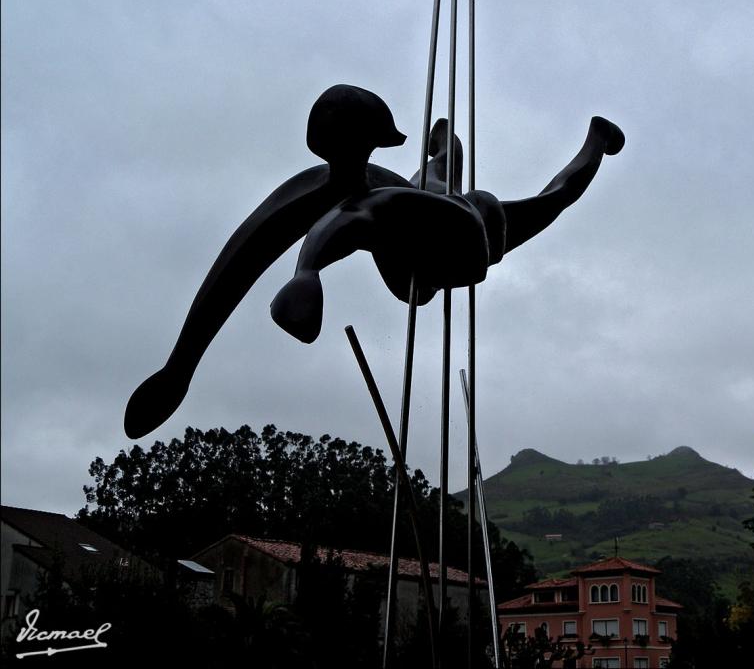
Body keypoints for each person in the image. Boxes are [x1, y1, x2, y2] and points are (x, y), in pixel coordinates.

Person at [125, 84, 623, 439]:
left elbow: (322, 236)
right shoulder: (346, 192)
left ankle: (596, 140)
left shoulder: (376, 207)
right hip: (426, 224)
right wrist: (179, 367)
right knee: (447, 169)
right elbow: (245, 253)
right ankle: (451, 138)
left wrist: (306, 275)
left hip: (470, 230)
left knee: (547, 200)